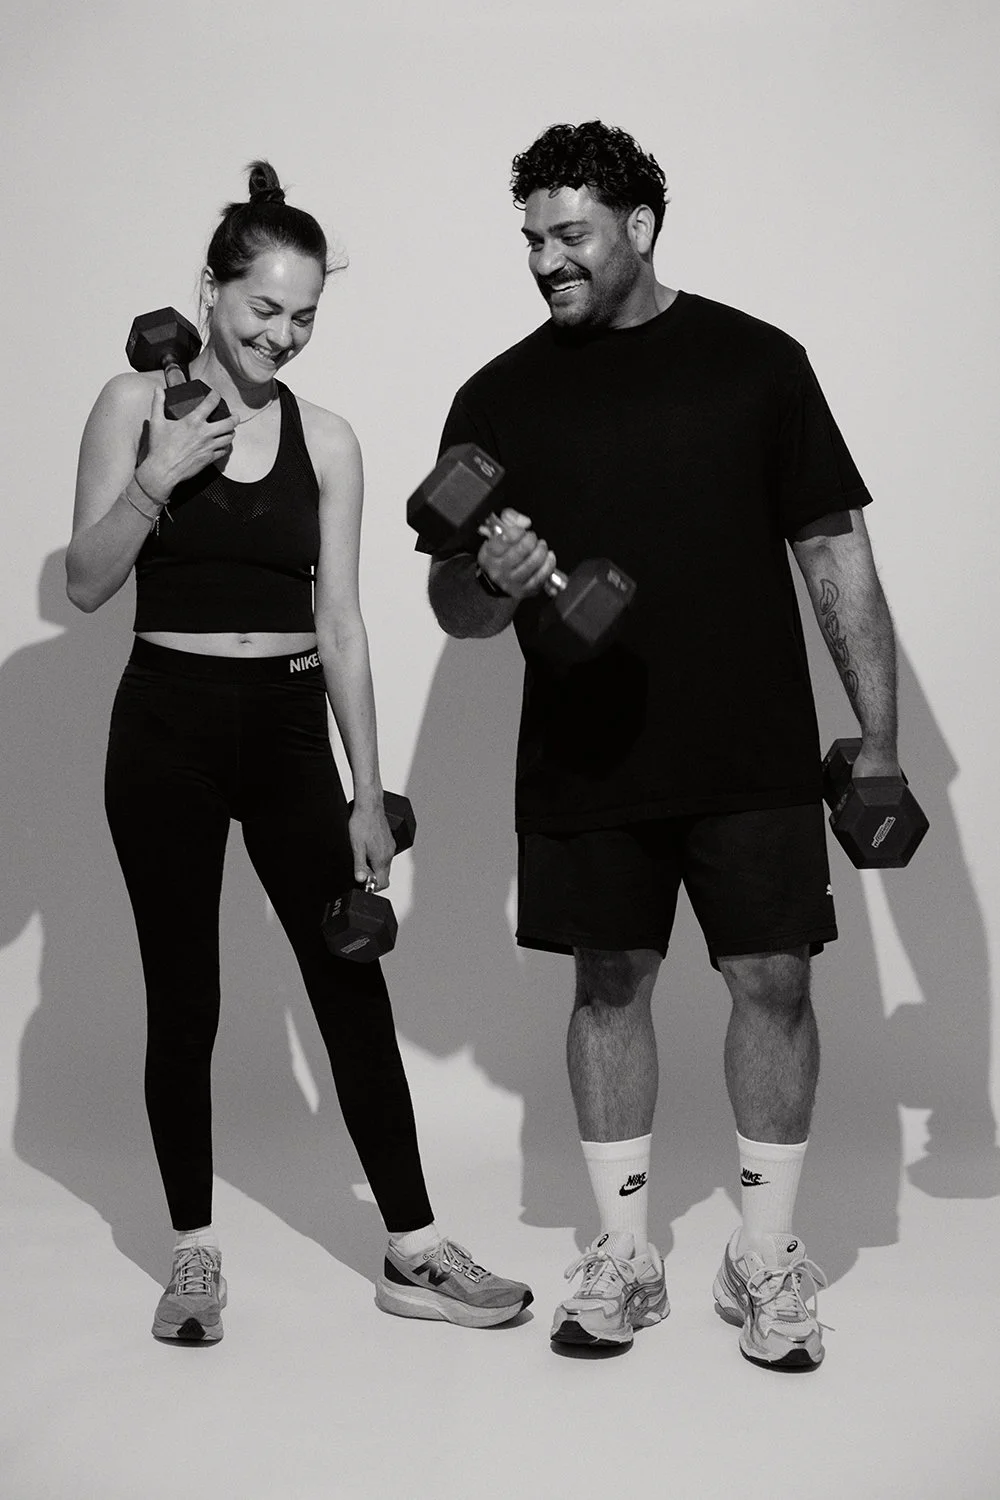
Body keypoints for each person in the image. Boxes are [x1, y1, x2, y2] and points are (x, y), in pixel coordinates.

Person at [422, 121, 901, 1368]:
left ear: (637, 229)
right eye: (531, 238)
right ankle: (625, 1257)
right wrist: (490, 573)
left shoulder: (757, 365)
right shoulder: (499, 395)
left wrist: (880, 741)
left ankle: (764, 1256)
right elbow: (456, 614)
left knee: (774, 985)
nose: (545, 260)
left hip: (749, 745)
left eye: (569, 234)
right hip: (586, 755)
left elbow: (832, 552)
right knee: (607, 986)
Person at [67, 161, 531, 1344]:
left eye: (305, 315)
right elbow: (81, 582)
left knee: (348, 990)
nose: (284, 333)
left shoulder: (328, 441)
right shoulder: (133, 405)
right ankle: (191, 1258)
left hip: (283, 732)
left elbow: (341, 622)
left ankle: (414, 1251)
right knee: (186, 996)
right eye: (264, 308)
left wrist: (364, 790)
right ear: (211, 293)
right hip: (164, 724)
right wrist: (157, 482)